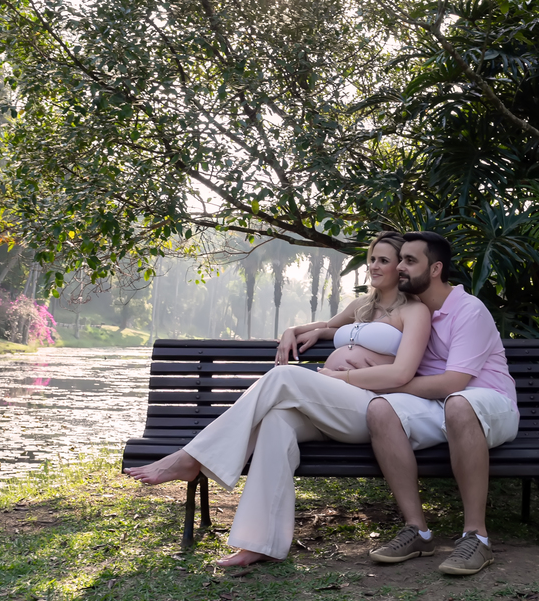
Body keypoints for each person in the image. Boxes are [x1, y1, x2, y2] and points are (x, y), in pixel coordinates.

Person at [124, 232, 431, 567]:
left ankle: (191, 458)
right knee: (275, 422)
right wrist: (291, 332)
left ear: (401, 266)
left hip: (369, 409)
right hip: (330, 408)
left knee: (284, 376)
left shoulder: (414, 312)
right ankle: (259, 542)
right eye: (372, 258)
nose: (374, 266)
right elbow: (325, 326)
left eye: (384, 260)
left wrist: (339, 377)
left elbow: (402, 374)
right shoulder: (362, 306)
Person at [364, 231, 518, 576]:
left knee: (459, 403)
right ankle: (417, 531)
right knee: (380, 409)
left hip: (491, 404)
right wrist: (310, 330)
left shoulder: (468, 310)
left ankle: (476, 536)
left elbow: (453, 383)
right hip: (439, 405)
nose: (399, 267)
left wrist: (393, 382)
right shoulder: (410, 311)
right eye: (400, 259)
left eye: (409, 261)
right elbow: (350, 326)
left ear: (435, 269)